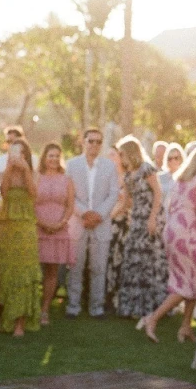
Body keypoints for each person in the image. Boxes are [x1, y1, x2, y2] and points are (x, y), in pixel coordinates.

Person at [139, 146, 196, 343]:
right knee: (186, 284)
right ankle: (153, 318)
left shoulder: (182, 179)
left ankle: (185, 328)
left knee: (193, 280)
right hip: (187, 233)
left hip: (173, 230)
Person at [65, 128, 120, 318]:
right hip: (78, 222)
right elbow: (68, 193)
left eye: (98, 142)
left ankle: (96, 307)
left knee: (98, 267)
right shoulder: (72, 165)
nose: (94, 145)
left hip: (101, 223)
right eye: (91, 141)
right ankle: (73, 306)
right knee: (75, 266)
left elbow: (114, 193)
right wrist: (84, 213)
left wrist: (99, 214)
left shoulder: (109, 166)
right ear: (84, 141)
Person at [116, 137, 168, 319]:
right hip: (136, 220)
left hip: (150, 217)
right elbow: (128, 202)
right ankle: (134, 306)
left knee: (150, 261)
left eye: (122, 153)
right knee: (134, 259)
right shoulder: (128, 174)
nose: (120, 157)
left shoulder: (146, 169)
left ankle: (153, 306)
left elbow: (158, 193)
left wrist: (153, 218)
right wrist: (112, 215)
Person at [0, 137, 40, 336]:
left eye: (21, 153)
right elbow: (3, 192)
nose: (17, 157)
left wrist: (25, 170)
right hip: (7, 224)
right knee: (5, 268)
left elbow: (33, 193)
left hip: (26, 225)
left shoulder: (33, 173)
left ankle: (20, 322)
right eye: (14, 152)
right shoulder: (5, 172)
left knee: (23, 270)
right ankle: (2, 317)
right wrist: (11, 169)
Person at [34, 142, 75, 325]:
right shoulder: (36, 177)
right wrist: (41, 223)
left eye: (57, 156)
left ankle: (44, 310)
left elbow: (70, 206)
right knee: (34, 270)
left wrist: (61, 223)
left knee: (52, 271)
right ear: (44, 157)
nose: (54, 159)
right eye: (51, 155)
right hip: (38, 228)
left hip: (59, 229)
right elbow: (30, 203)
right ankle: (31, 307)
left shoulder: (66, 179)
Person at [105, 145, 130, 314]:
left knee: (119, 258)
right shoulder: (107, 177)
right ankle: (104, 295)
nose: (110, 158)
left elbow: (127, 202)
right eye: (108, 156)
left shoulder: (128, 177)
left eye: (113, 155)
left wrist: (109, 216)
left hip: (121, 223)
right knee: (106, 259)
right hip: (106, 222)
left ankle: (117, 298)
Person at [158, 143, 184, 210]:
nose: (173, 161)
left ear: (181, 159)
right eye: (170, 158)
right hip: (162, 214)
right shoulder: (159, 177)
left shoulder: (185, 178)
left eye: (176, 158)